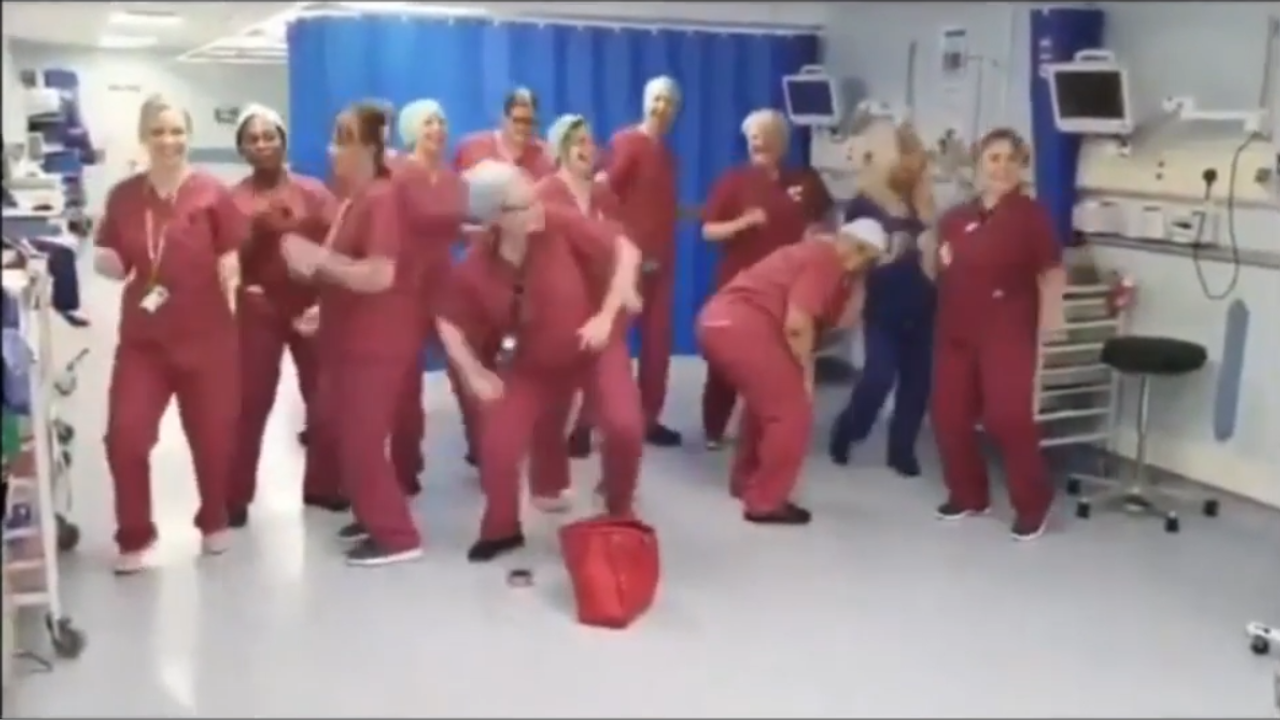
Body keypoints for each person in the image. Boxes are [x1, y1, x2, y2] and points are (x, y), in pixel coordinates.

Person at [438, 160, 643, 563]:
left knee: (624, 426)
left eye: (534, 197)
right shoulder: (478, 266)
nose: (537, 208)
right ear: (496, 218)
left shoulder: (558, 223)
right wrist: (474, 372)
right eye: (524, 205)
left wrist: (606, 314)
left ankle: (619, 505)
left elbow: (626, 250)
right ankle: (502, 528)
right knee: (498, 444)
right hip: (531, 363)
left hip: (592, 345)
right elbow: (448, 319)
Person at [93, 95, 246, 574]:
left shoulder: (212, 193)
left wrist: (233, 287)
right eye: (158, 131)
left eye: (177, 130)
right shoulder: (123, 197)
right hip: (145, 343)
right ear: (144, 136)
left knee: (214, 439)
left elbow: (230, 256)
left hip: (208, 339)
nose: (168, 141)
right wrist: (104, 262)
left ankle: (214, 517)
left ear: (189, 135)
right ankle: (135, 534)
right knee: (126, 437)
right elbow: (114, 257)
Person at [280, 103, 422, 566]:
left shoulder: (382, 199)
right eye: (334, 136)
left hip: (375, 341)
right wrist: (323, 308)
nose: (333, 148)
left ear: (371, 147)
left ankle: (397, 536)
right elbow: (346, 269)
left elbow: (380, 274)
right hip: (347, 335)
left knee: (361, 439)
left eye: (344, 138)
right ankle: (372, 512)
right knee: (342, 430)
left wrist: (317, 260)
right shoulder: (353, 200)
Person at [698, 220, 885, 524]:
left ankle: (746, 481)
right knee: (791, 412)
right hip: (745, 326)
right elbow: (797, 323)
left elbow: (838, 321)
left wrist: (857, 283)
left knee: (765, 403)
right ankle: (766, 502)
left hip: (717, 320)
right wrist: (805, 370)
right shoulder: (826, 260)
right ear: (852, 244)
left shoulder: (812, 253)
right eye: (864, 254)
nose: (861, 262)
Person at [931, 127, 1066, 541]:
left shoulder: (1031, 216)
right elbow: (936, 265)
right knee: (949, 415)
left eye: (1011, 159)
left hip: (1007, 327)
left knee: (1007, 417)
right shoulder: (956, 218)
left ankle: (1033, 503)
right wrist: (934, 257)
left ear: (1022, 166)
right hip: (956, 327)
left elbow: (1052, 271)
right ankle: (968, 494)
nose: (1002, 167)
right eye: (994, 158)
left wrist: (1053, 321)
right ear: (979, 164)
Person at [227, 104, 338, 525]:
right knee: (249, 401)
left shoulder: (313, 192)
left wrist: (325, 300)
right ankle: (233, 496)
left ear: (283, 141)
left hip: (310, 305)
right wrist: (254, 235)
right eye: (252, 139)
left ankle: (325, 485)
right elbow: (224, 262)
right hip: (259, 307)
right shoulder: (232, 201)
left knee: (325, 397)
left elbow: (337, 244)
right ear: (241, 148)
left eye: (269, 136)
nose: (262, 145)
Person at [567, 76, 684, 455]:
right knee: (607, 343)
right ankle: (583, 425)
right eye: (656, 99)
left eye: (669, 101)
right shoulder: (627, 143)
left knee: (657, 347)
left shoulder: (669, 157)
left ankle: (648, 419)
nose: (662, 107)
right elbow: (601, 191)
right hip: (627, 265)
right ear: (645, 102)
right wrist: (620, 248)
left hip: (661, 266)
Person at [699, 109, 828, 450]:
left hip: (786, 289)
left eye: (766, 134)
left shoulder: (804, 182)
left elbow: (823, 223)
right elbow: (708, 231)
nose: (759, 141)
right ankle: (714, 428)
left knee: (779, 359)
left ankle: (768, 427)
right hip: (738, 287)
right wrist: (743, 222)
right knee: (726, 361)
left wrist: (814, 236)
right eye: (753, 136)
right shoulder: (733, 181)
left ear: (782, 142)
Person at [449, 89, 555, 467]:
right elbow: (455, 204)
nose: (525, 128)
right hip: (483, 264)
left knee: (523, 355)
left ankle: (516, 431)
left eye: (531, 121)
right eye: (518, 120)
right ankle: (481, 438)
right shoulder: (473, 149)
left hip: (526, 267)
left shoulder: (545, 157)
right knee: (473, 352)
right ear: (503, 118)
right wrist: (476, 230)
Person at [829, 121, 937, 476]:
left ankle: (901, 449)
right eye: (905, 160)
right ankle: (849, 429)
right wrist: (852, 301)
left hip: (923, 304)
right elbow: (850, 259)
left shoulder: (920, 202)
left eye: (916, 162)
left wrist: (928, 218)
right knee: (878, 377)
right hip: (882, 305)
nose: (910, 169)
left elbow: (935, 249)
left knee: (917, 383)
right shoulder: (863, 204)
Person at [388, 98, 465, 495]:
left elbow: (454, 228)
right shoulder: (397, 175)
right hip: (406, 287)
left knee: (469, 368)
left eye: (441, 121)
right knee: (406, 384)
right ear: (411, 130)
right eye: (428, 122)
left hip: (444, 284)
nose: (437, 129)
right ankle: (404, 467)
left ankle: (488, 451)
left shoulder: (453, 178)